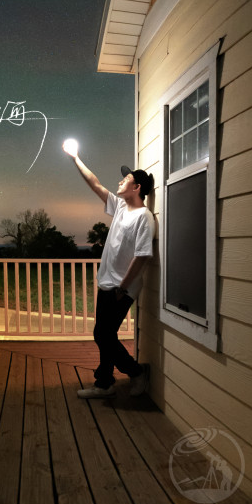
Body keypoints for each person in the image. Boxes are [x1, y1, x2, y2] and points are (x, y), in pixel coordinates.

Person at [65, 142, 155, 398]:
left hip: (121, 287)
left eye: (126, 179)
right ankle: (104, 383)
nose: (120, 181)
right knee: (106, 335)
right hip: (108, 284)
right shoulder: (120, 207)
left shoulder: (143, 218)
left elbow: (142, 256)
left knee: (102, 334)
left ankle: (136, 373)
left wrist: (123, 287)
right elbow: (95, 184)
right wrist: (76, 158)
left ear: (136, 188)